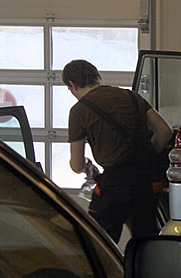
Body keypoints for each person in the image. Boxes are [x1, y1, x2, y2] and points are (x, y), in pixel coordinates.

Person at [64, 59, 173, 243]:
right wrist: (146, 157)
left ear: (72, 84)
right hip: (145, 182)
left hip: (114, 184)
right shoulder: (131, 96)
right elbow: (164, 131)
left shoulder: (79, 111)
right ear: (96, 77)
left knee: (100, 242)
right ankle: (145, 270)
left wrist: (86, 169)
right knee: (146, 239)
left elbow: (76, 164)